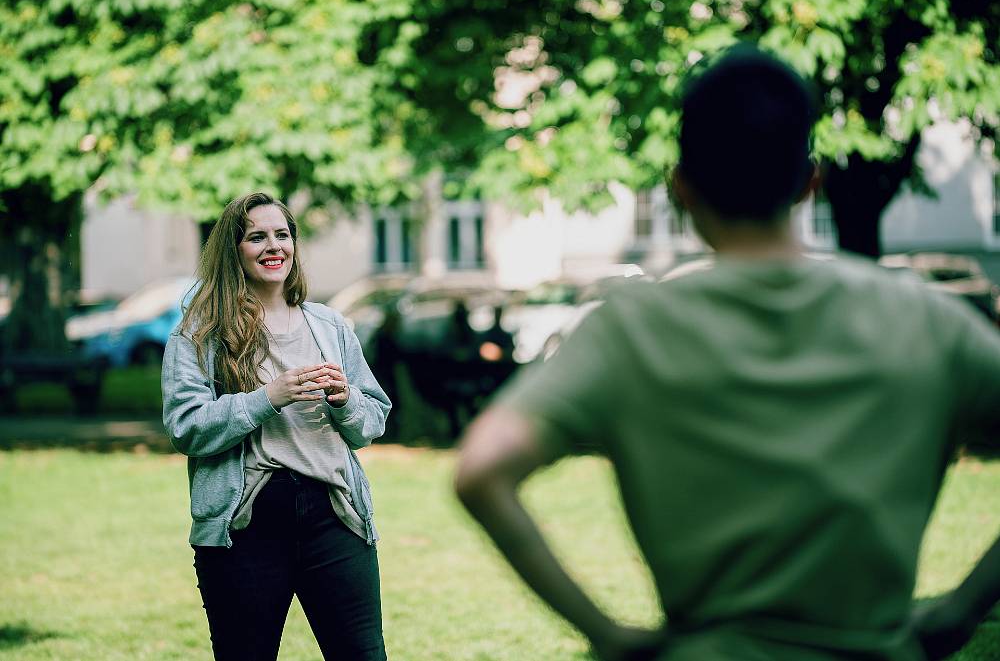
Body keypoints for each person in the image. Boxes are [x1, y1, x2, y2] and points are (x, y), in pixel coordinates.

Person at [454, 45, 1000, 661]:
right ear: (809, 184)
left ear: (681, 188)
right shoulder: (921, 317)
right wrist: (961, 611)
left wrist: (606, 634)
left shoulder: (632, 329)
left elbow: (482, 470)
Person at [162, 192, 391, 661]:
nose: (274, 246)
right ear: (234, 249)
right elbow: (186, 427)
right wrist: (269, 397)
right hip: (247, 524)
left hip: (334, 516)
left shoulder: (330, 326)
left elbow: (371, 421)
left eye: (282, 235)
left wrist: (345, 402)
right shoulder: (200, 332)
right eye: (257, 236)